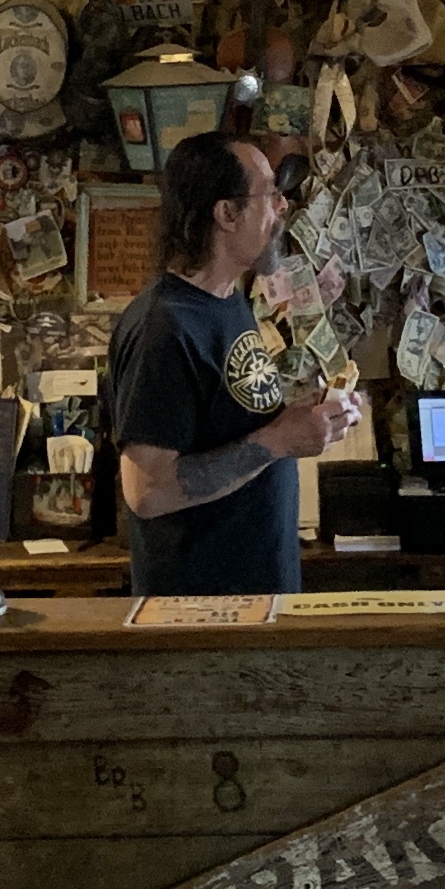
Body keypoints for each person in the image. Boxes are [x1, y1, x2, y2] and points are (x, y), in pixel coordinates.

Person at [109, 131, 363, 596]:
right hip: (201, 612)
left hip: (258, 596)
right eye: (270, 194)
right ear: (226, 213)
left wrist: (303, 420)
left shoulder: (229, 302)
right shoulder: (162, 327)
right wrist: (279, 440)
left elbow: (231, 426)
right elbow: (147, 492)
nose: (283, 206)